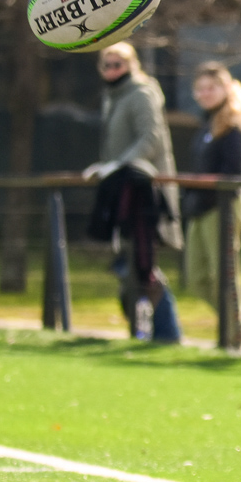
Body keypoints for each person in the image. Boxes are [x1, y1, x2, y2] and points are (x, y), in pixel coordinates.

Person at [82, 41, 183, 343]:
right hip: (125, 190)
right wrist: (107, 166)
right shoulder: (113, 96)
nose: (113, 70)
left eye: (119, 64)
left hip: (145, 193)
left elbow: (149, 139)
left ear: (132, 65)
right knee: (130, 265)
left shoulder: (140, 93)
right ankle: (149, 331)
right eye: (107, 64)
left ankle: (167, 333)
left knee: (141, 264)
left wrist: (116, 165)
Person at [183, 63, 241, 334]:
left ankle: (233, 337)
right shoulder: (206, 122)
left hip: (224, 204)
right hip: (201, 205)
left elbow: (234, 172)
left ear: (227, 88)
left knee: (223, 273)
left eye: (212, 88)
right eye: (201, 89)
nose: (205, 94)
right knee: (196, 277)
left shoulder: (233, 124)